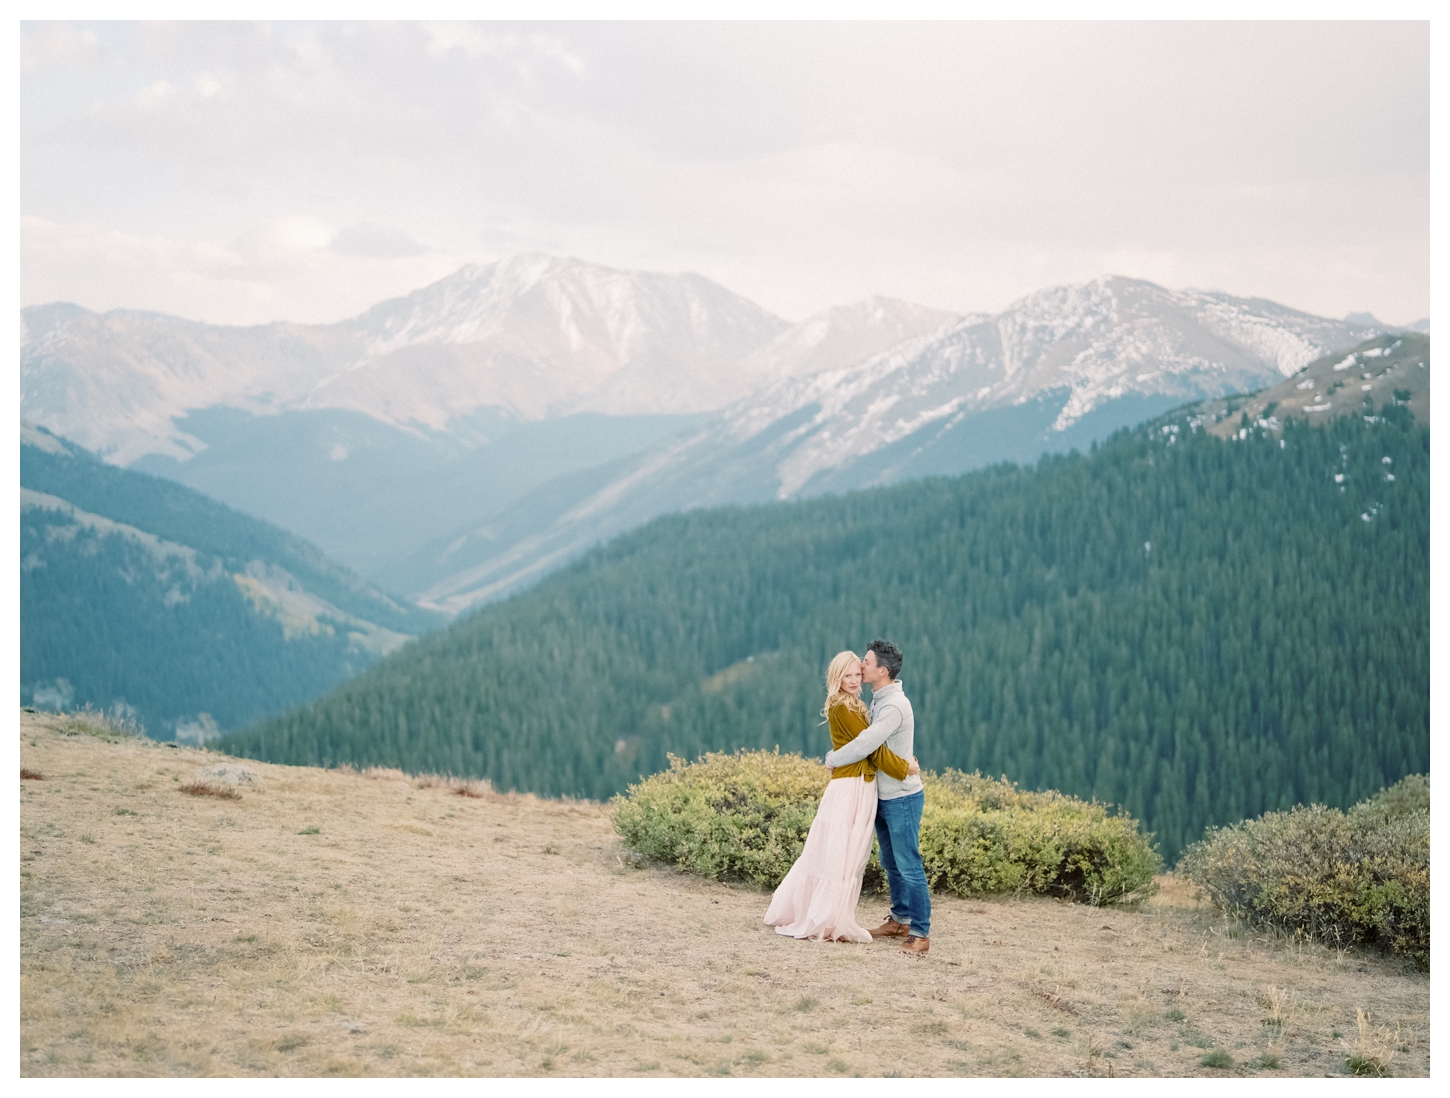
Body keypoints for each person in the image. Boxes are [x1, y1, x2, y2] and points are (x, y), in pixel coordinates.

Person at [764, 651, 920, 942]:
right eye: (846, 675)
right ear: (836, 678)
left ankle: (828, 913)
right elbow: (870, 747)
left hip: (859, 784)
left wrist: (834, 756)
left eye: (856, 674)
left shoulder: (858, 705)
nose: (852, 680)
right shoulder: (843, 707)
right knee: (840, 853)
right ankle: (826, 917)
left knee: (843, 853)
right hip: (851, 785)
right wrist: (905, 767)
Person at [823, 639, 930, 955]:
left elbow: (868, 743)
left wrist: (832, 758)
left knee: (909, 864)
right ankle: (899, 919)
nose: (861, 664)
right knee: (891, 862)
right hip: (883, 795)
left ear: (882, 670)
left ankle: (921, 934)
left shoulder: (894, 705)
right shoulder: (878, 699)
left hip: (901, 797)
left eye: (866, 662)